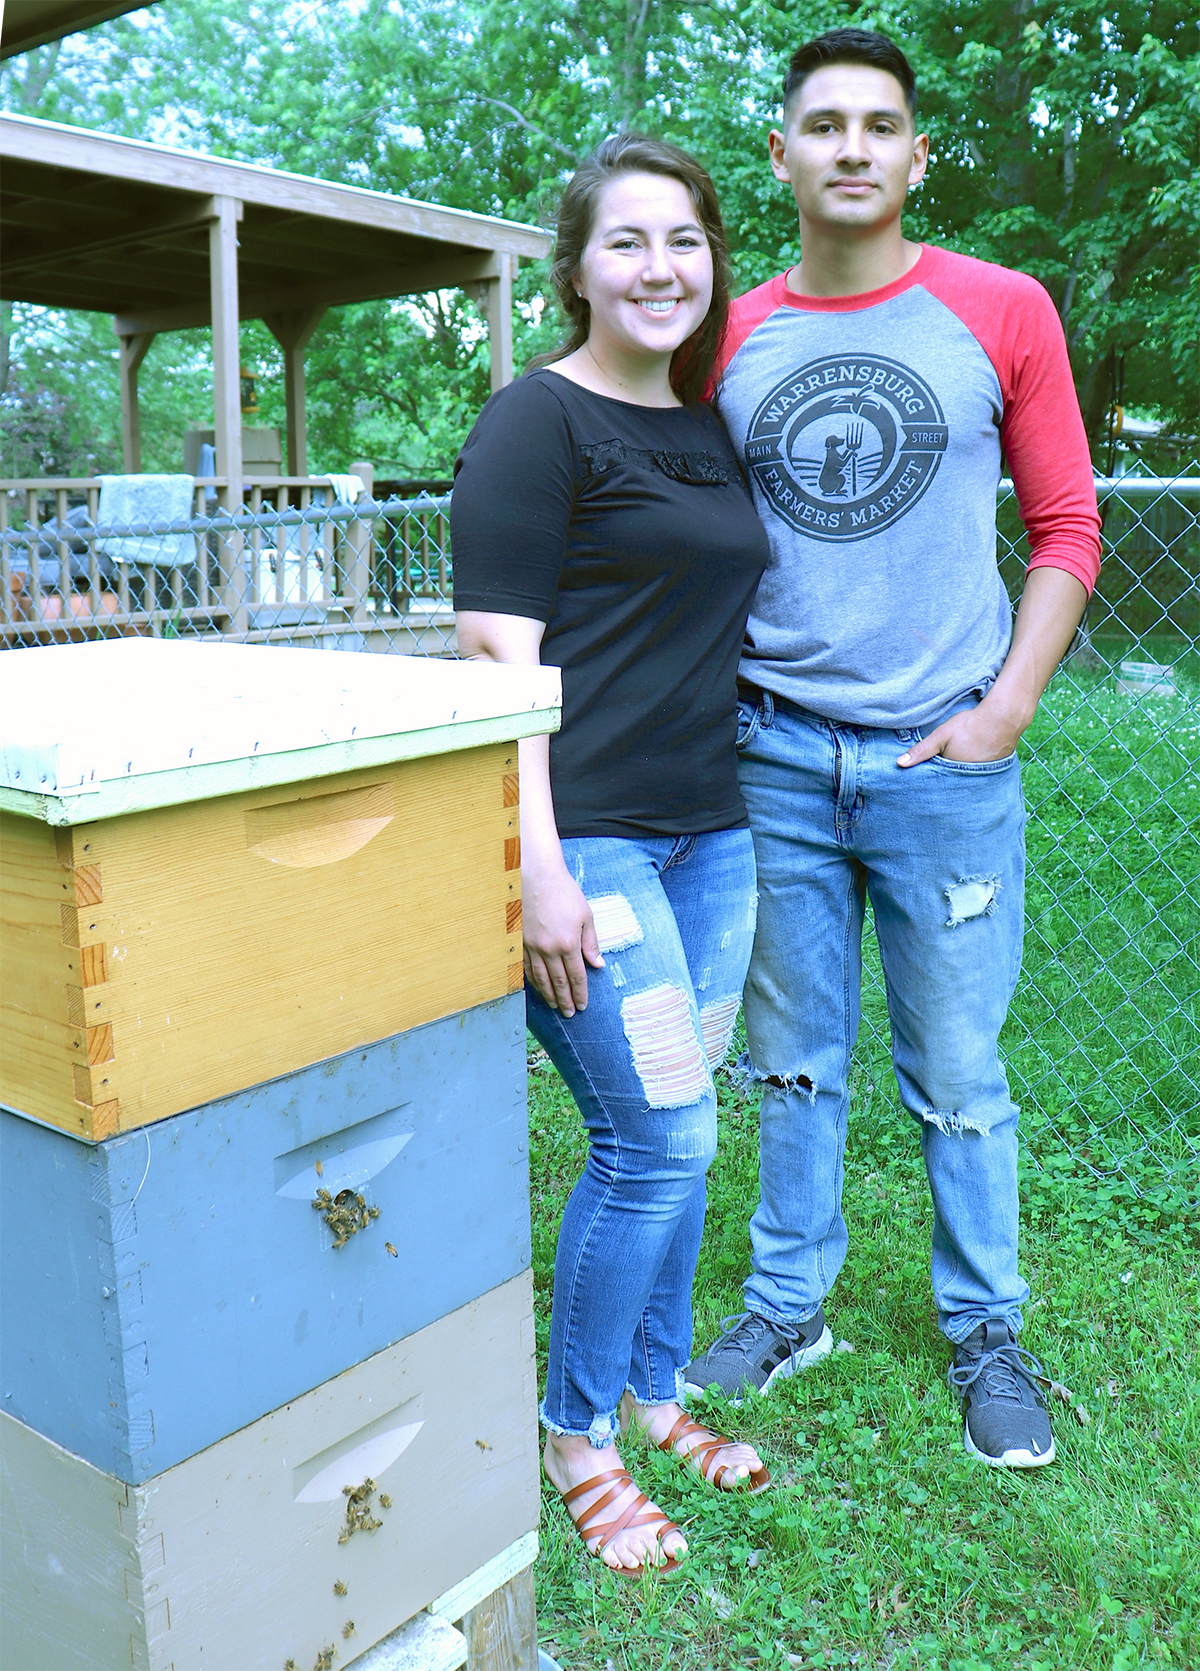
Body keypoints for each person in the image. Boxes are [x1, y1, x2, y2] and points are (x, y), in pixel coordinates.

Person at [684, 28, 1102, 1470]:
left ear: (917, 157)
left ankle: (987, 1331)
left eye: (880, 126)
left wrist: (1006, 709)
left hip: (947, 766)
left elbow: (1067, 531)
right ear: (785, 156)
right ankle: (790, 1304)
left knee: (960, 1069)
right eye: (824, 125)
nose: (852, 146)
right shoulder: (727, 334)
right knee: (792, 1061)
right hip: (775, 759)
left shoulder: (1001, 310)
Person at [451, 134, 773, 1572]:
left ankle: (654, 1393)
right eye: (628, 242)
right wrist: (537, 868)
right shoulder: (537, 421)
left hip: (715, 832)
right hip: (590, 839)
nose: (661, 268)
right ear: (577, 266)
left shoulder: (705, 427)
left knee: (688, 1120)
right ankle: (573, 1433)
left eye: (686, 241)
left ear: (714, 262)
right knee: (659, 1138)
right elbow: (492, 658)